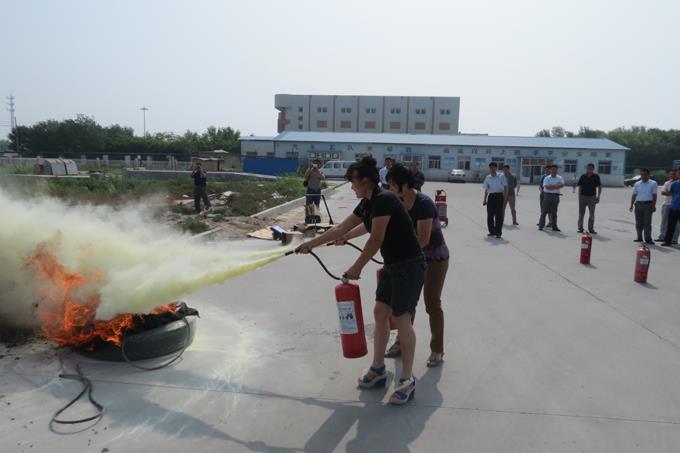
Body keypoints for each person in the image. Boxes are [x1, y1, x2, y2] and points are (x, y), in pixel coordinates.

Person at [296, 156, 425, 405]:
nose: (351, 186)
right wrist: (311, 244)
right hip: (392, 265)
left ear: (365, 181)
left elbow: (376, 238)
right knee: (380, 312)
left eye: (353, 182)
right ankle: (378, 369)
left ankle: (407, 380)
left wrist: (356, 268)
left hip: (409, 266)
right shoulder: (368, 203)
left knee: (402, 319)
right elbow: (340, 229)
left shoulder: (384, 199)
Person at [341, 163, 449, 367]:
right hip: (407, 260)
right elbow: (370, 225)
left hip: (434, 258)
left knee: (431, 304)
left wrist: (400, 256)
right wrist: (346, 236)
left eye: (392, 184)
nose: (389, 188)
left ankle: (437, 350)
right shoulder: (395, 201)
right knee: (404, 307)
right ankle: (400, 343)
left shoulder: (424, 203)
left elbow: (423, 240)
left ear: (405, 185)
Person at [629, 169, 658, 244]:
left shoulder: (653, 183)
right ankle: (639, 237)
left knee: (647, 223)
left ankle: (648, 239)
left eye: (645, 174)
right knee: (638, 222)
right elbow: (634, 194)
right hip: (638, 204)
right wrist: (631, 205)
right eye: (642, 174)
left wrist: (653, 205)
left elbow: (654, 195)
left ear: (648, 175)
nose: (643, 176)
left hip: (648, 204)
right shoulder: (637, 183)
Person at [483, 162, 507, 238]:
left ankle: (498, 232)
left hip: (499, 196)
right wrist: (484, 199)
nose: (492, 169)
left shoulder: (501, 176)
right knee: (490, 215)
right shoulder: (488, 177)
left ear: (496, 168)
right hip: (491, 197)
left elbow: (505, 187)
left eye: (493, 167)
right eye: (491, 168)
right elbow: (486, 189)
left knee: (499, 216)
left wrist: (505, 198)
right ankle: (492, 231)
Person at [577, 163, 602, 234]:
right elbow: (580, 186)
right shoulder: (583, 176)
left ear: (593, 169)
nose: (589, 169)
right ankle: (580, 228)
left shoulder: (596, 176)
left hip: (592, 197)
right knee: (581, 213)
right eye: (587, 168)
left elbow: (599, 186)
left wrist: (598, 197)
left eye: (590, 168)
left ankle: (591, 229)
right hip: (582, 197)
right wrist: (579, 196)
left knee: (591, 214)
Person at [538, 165, 564, 232]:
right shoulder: (546, 178)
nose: (554, 171)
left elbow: (562, 185)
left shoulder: (560, 178)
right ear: (550, 170)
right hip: (547, 196)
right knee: (544, 211)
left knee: (554, 212)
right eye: (552, 169)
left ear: (557, 170)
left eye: (555, 169)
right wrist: (556, 186)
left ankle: (554, 226)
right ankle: (541, 225)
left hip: (556, 196)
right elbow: (546, 187)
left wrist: (551, 186)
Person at [657, 169, 679, 243]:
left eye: (674, 174)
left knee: (677, 224)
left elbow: (673, 193)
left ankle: (674, 239)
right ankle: (663, 237)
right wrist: (673, 194)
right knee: (665, 222)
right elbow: (663, 192)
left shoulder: (677, 183)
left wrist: (671, 193)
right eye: (671, 174)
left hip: (675, 206)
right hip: (667, 204)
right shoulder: (668, 183)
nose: (672, 175)